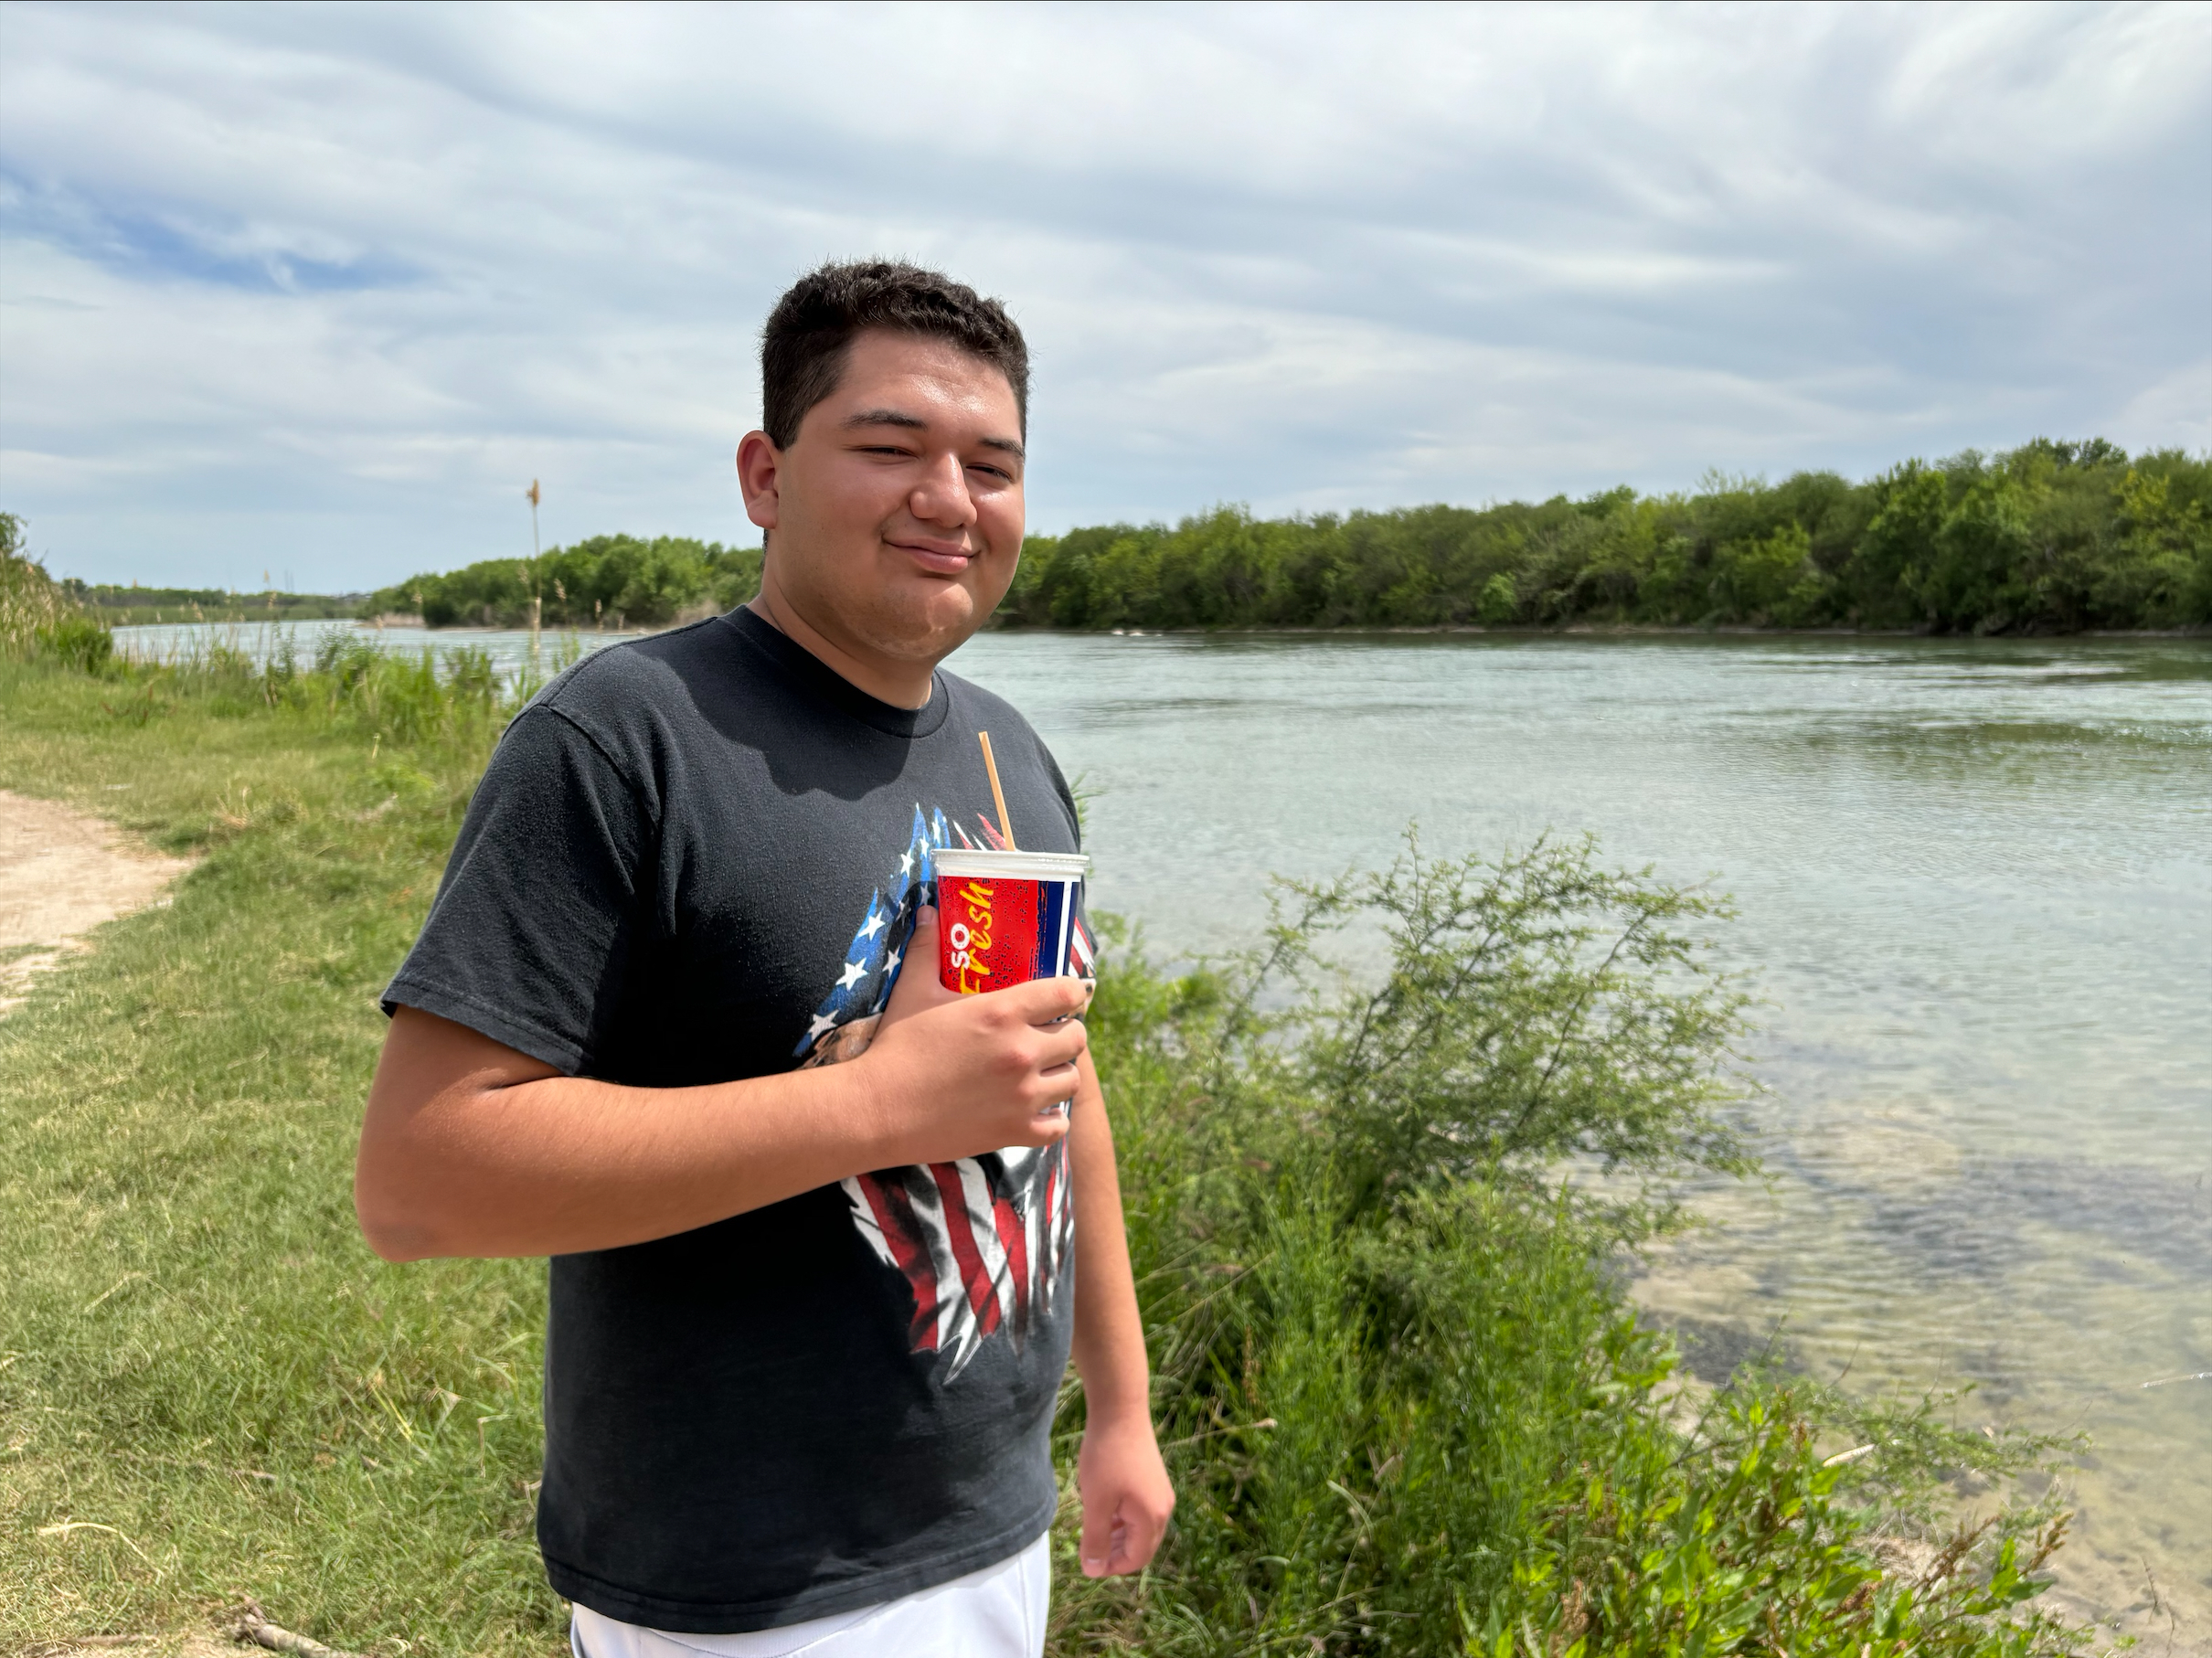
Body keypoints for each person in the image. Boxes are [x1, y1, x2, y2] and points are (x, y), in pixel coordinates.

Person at [354, 260, 1173, 1656]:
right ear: (765, 474)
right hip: (745, 1585)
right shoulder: (627, 740)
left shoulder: (1009, 753)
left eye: (993, 463)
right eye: (890, 446)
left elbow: (1054, 1087)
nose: (950, 498)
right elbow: (421, 1179)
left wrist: (1124, 1408)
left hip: (989, 1522)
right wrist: (878, 1101)